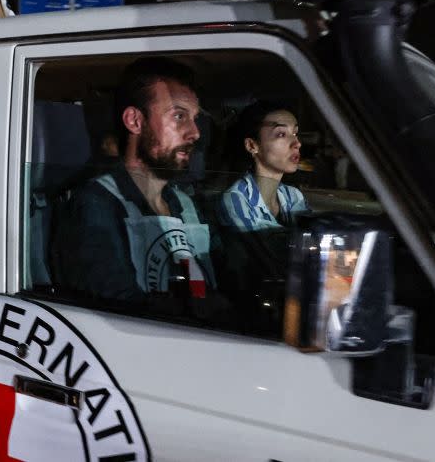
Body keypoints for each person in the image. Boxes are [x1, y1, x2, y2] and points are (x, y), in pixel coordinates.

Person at [56, 57, 215, 301]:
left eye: (195, 118)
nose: (195, 132)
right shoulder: (96, 204)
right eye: (179, 116)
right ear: (135, 121)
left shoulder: (185, 204)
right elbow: (114, 309)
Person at [217, 100, 308, 232]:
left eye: (295, 133)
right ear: (252, 146)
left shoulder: (294, 196)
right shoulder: (236, 200)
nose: (297, 143)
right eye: (281, 134)